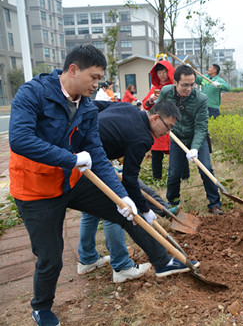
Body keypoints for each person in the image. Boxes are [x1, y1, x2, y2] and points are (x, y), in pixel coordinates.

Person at [9, 45, 198, 326]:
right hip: (36, 189)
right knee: (51, 256)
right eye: (94, 77)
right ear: (73, 70)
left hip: (71, 180)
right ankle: (42, 308)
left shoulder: (85, 105)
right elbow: (20, 139)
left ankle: (162, 262)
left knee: (124, 211)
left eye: (100, 78)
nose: (98, 84)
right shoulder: (32, 93)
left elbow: (96, 153)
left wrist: (125, 197)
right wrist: (70, 158)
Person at [78, 99, 181, 283]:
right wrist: (146, 210)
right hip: (90, 159)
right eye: (168, 127)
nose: (168, 133)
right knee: (115, 206)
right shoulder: (142, 137)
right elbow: (129, 180)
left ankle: (87, 258)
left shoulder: (127, 107)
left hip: (80, 150)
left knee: (91, 212)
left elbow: (94, 105)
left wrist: (90, 129)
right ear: (156, 118)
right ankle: (121, 266)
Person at [157, 64, 224, 215]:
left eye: (192, 84)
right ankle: (172, 203)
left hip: (197, 138)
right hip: (177, 137)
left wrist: (194, 148)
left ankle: (215, 203)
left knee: (206, 168)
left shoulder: (201, 99)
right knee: (174, 172)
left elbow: (201, 127)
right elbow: (158, 110)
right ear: (175, 83)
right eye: (185, 85)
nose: (189, 88)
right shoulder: (166, 92)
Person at [143, 58, 176, 180]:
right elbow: (145, 104)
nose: (161, 75)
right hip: (158, 125)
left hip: (174, 124)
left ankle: (181, 176)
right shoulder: (155, 88)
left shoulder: (175, 86)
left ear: (169, 71)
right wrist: (150, 100)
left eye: (164, 72)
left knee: (177, 153)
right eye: (159, 73)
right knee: (156, 154)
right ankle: (157, 178)